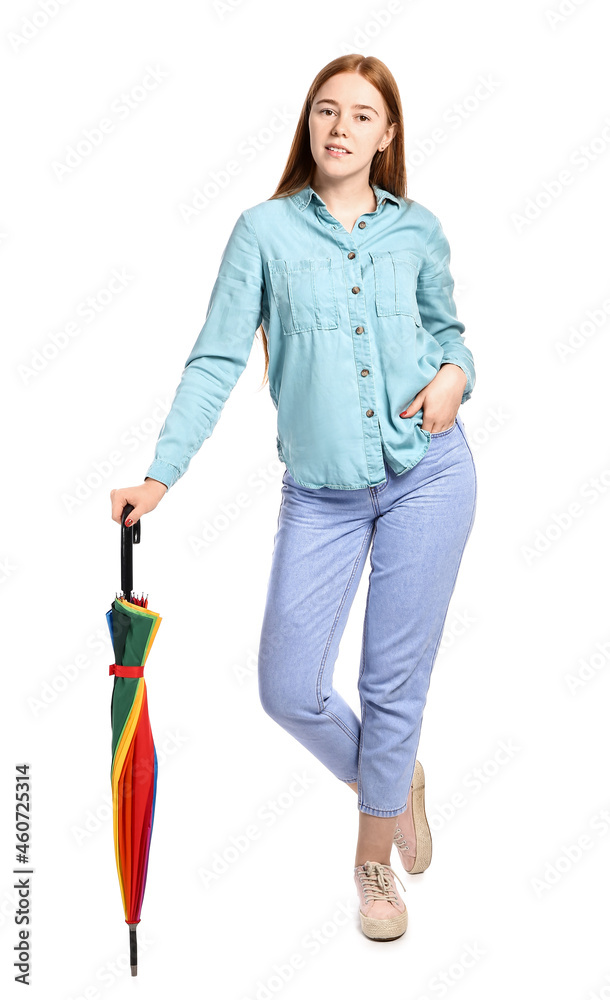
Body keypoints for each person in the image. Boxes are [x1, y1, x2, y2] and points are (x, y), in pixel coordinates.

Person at [110, 53, 477, 942]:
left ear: (387, 135)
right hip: (321, 494)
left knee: (389, 683)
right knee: (286, 688)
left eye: (360, 114)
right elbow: (216, 359)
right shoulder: (263, 234)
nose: (340, 126)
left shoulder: (418, 230)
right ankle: (395, 781)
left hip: (429, 472)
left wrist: (457, 375)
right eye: (325, 110)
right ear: (308, 126)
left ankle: (372, 867)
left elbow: (450, 333)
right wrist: (162, 475)